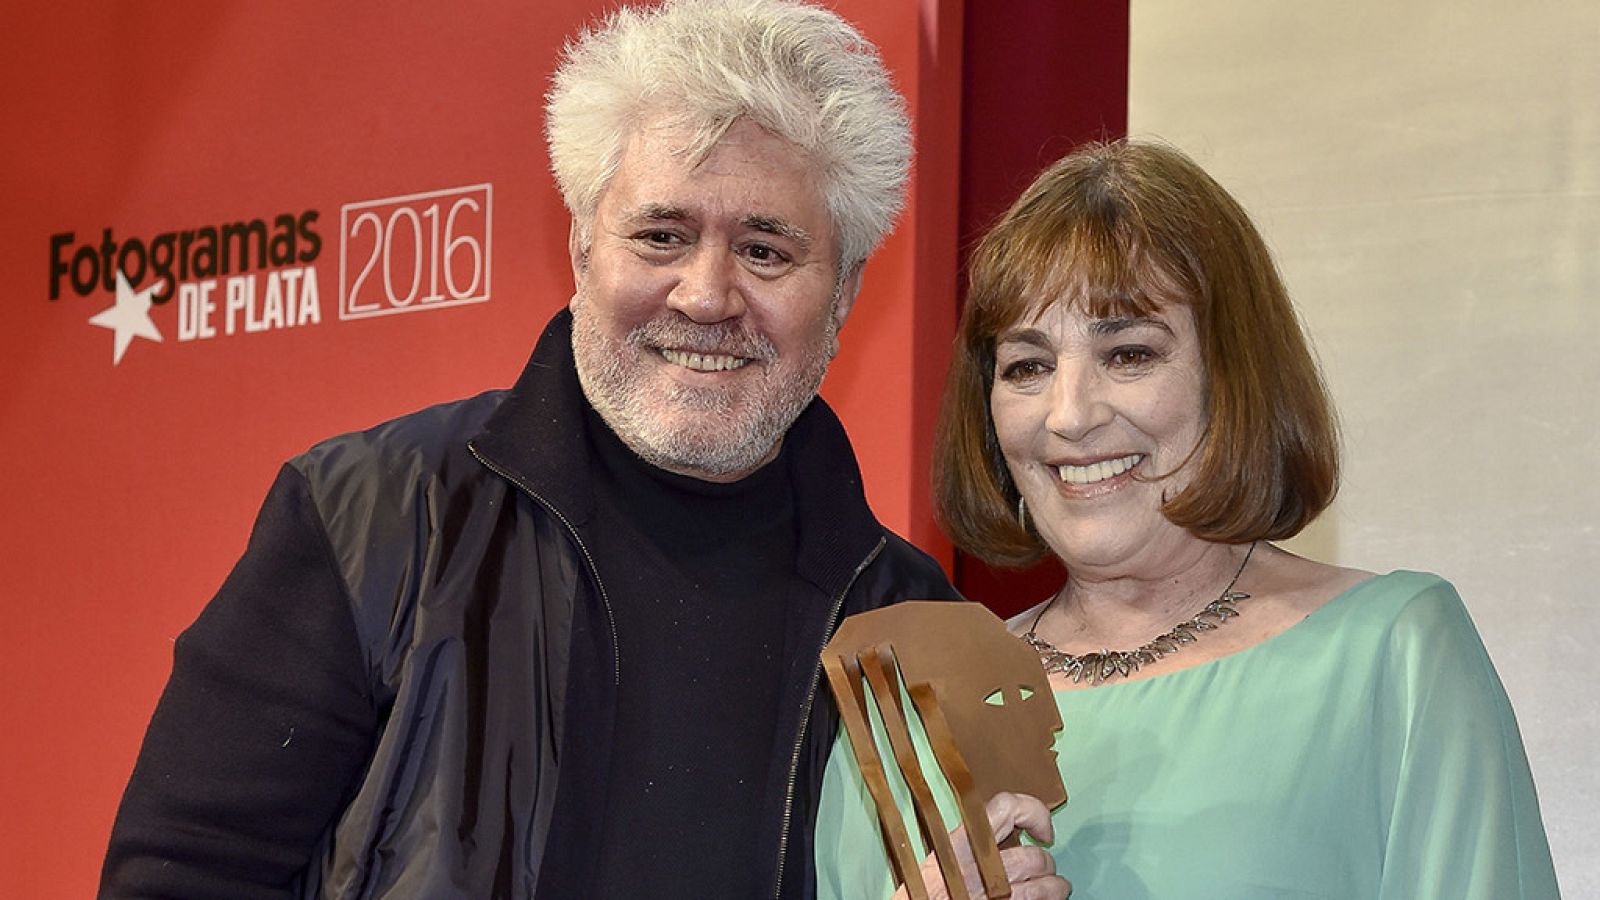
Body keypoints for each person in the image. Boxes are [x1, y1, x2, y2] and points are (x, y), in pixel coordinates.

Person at [98, 1, 976, 897]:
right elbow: (183, 875)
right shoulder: (368, 521)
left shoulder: (912, 622)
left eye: (765, 250)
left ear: (844, 292)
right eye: (662, 236)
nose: (707, 295)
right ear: (581, 241)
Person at [815, 140, 1561, 899]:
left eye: (1129, 354)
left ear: (1233, 378)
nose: (1068, 415)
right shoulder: (906, 709)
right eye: (1028, 366)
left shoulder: (1392, 655)